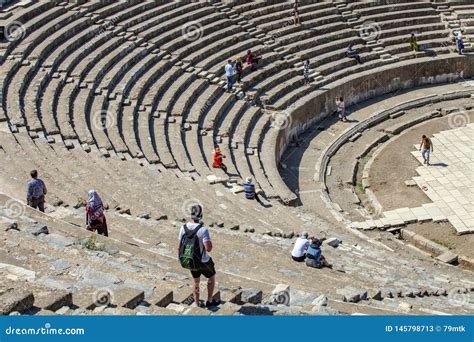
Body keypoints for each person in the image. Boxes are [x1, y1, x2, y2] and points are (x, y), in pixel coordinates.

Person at [178, 204, 219, 308]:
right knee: (211, 278)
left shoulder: (183, 228)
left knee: (196, 281)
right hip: (203, 261)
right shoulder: (203, 230)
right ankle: (209, 301)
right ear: (201, 215)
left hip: (191, 260)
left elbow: (178, 247)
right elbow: (208, 248)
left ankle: (196, 304)